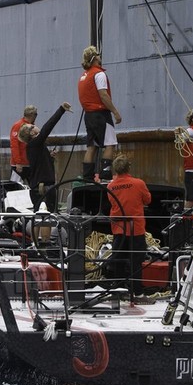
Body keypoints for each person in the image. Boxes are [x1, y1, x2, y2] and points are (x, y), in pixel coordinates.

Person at [106, 153, 152, 301]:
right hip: (136, 229)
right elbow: (148, 200)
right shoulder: (138, 183)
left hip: (118, 229)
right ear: (128, 167)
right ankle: (138, 292)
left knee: (118, 259)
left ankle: (118, 290)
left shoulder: (110, 186)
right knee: (136, 261)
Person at [18, 102, 72, 211]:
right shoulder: (35, 143)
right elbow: (48, 127)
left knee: (40, 219)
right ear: (32, 133)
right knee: (47, 219)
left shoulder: (34, 146)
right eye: (32, 126)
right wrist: (61, 110)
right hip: (43, 188)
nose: (35, 125)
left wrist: (49, 156)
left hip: (41, 187)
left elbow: (39, 163)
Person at [78, 45, 121, 181]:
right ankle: (105, 175)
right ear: (95, 58)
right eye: (98, 54)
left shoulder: (83, 76)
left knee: (92, 146)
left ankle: (87, 177)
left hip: (88, 115)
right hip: (101, 114)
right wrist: (115, 112)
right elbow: (103, 95)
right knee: (110, 144)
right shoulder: (99, 74)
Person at [9, 105, 37, 183]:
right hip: (22, 163)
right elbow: (14, 145)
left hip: (27, 163)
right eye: (36, 115)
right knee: (15, 187)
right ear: (32, 115)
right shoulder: (19, 126)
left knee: (17, 187)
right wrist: (18, 162)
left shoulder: (24, 125)